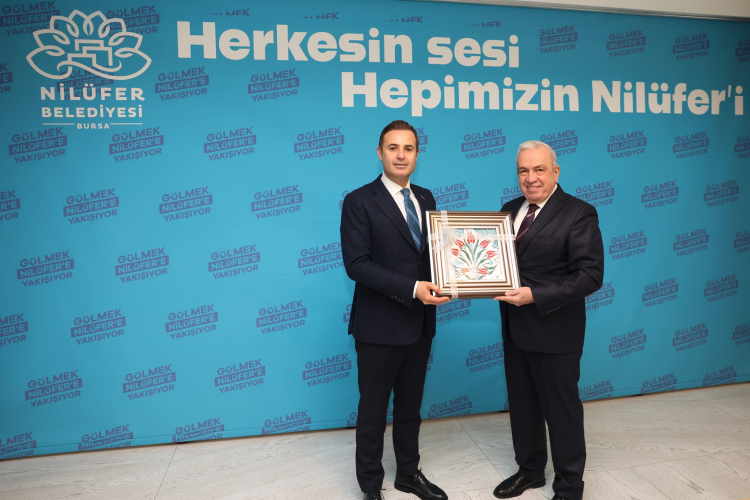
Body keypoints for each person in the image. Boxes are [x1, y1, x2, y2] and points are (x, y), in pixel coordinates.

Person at [341, 120, 451, 500]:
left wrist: (457, 276)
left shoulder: (426, 197)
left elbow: (432, 255)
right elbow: (357, 265)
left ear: (417, 154)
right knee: (373, 412)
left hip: (420, 324)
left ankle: (408, 473)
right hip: (378, 327)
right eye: (393, 148)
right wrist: (413, 288)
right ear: (379, 153)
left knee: (410, 408)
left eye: (408, 148)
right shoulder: (359, 201)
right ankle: (371, 486)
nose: (401, 155)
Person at [493, 141, 604, 500]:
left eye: (539, 169)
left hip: (556, 332)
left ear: (556, 172)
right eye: (523, 171)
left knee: (561, 413)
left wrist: (535, 295)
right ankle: (530, 471)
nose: (531, 178)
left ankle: (569, 487)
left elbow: (590, 275)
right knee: (522, 406)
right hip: (515, 330)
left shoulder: (579, 213)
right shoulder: (508, 210)